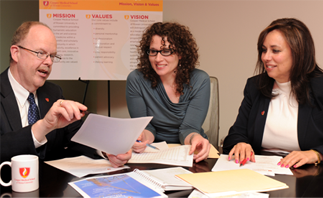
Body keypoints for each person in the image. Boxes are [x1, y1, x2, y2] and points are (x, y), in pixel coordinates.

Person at [0, 21, 131, 168]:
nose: (49, 62)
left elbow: (78, 136)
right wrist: (42, 127)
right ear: (16, 53)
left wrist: (108, 149)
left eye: (52, 56)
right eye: (40, 53)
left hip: (51, 187)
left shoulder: (54, 92)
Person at [223, 18, 323, 168]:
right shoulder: (255, 86)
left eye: (275, 50)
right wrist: (240, 143)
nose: (265, 57)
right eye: (264, 50)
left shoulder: (319, 87)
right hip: (260, 170)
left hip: (308, 174)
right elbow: (236, 133)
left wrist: (317, 154)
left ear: (298, 53)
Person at [126, 22, 211, 162]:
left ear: (181, 53)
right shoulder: (136, 80)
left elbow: (188, 129)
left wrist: (196, 138)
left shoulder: (200, 80)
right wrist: (141, 138)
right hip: (152, 152)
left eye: (166, 51)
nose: (158, 59)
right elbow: (146, 128)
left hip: (189, 149)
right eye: (153, 51)